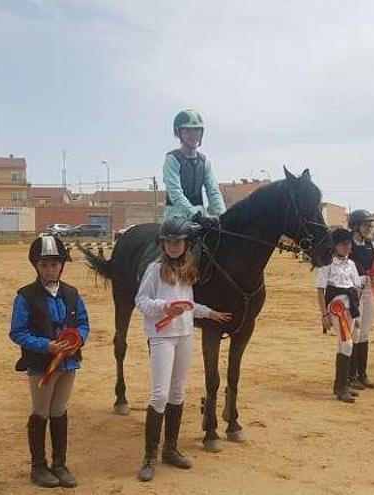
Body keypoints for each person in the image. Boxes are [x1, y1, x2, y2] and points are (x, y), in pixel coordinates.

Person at [135, 218, 231, 482]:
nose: (173, 246)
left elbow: (189, 304)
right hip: (162, 337)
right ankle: (149, 456)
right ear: (163, 244)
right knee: (160, 395)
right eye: (169, 242)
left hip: (185, 335)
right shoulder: (155, 269)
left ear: (185, 244)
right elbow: (141, 301)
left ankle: (171, 449)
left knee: (178, 393)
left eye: (177, 242)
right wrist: (164, 308)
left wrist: (210, 313)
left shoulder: (188, 269)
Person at [9, 235, 89, 488]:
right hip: (41, 365)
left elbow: (83, 323)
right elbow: (17, 332)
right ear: (36, 265)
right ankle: (38, 465)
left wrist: (78, 340)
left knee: (59, 410)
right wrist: (47, 346)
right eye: (44, 264)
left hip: (68, 363)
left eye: (55, 264)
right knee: (41, 411)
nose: (50, 269)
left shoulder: (72, 294)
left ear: (62, 265)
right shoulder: (25, 296)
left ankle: (60, 463)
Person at [316, 228, 361, 403]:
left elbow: (356, 288)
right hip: (336, 308)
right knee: (347, 343)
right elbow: (320, 291)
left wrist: (357, 315)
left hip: (350, 308)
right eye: (343, 244)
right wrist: (324, 314)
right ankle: (342, 387)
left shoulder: (352, 265)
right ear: (335, 245)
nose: (347, 247)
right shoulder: (326, 264)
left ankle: (341, 385)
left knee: (345, 345)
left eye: (349, 243)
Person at [163, 109, 227, 228]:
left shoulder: (205, 162)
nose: (193, 134)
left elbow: (213, 191)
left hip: (201, 217)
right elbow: (175, 193)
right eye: (187, 130)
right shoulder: (172, 159)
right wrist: (194, 214)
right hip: (176, 218)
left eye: (197, 129)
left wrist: (224, 216)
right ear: (178, 133)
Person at [347, 209, 374, 389]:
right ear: (356, 226)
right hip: (353, 292)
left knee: (365, 332)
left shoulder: (371, 244)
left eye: (370, 225)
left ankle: (362, 373)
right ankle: (350, 375)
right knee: (355, 332)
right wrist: (356, 278)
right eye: (366, 225)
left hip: (368, 290)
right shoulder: (348, 245)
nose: (369, 228)